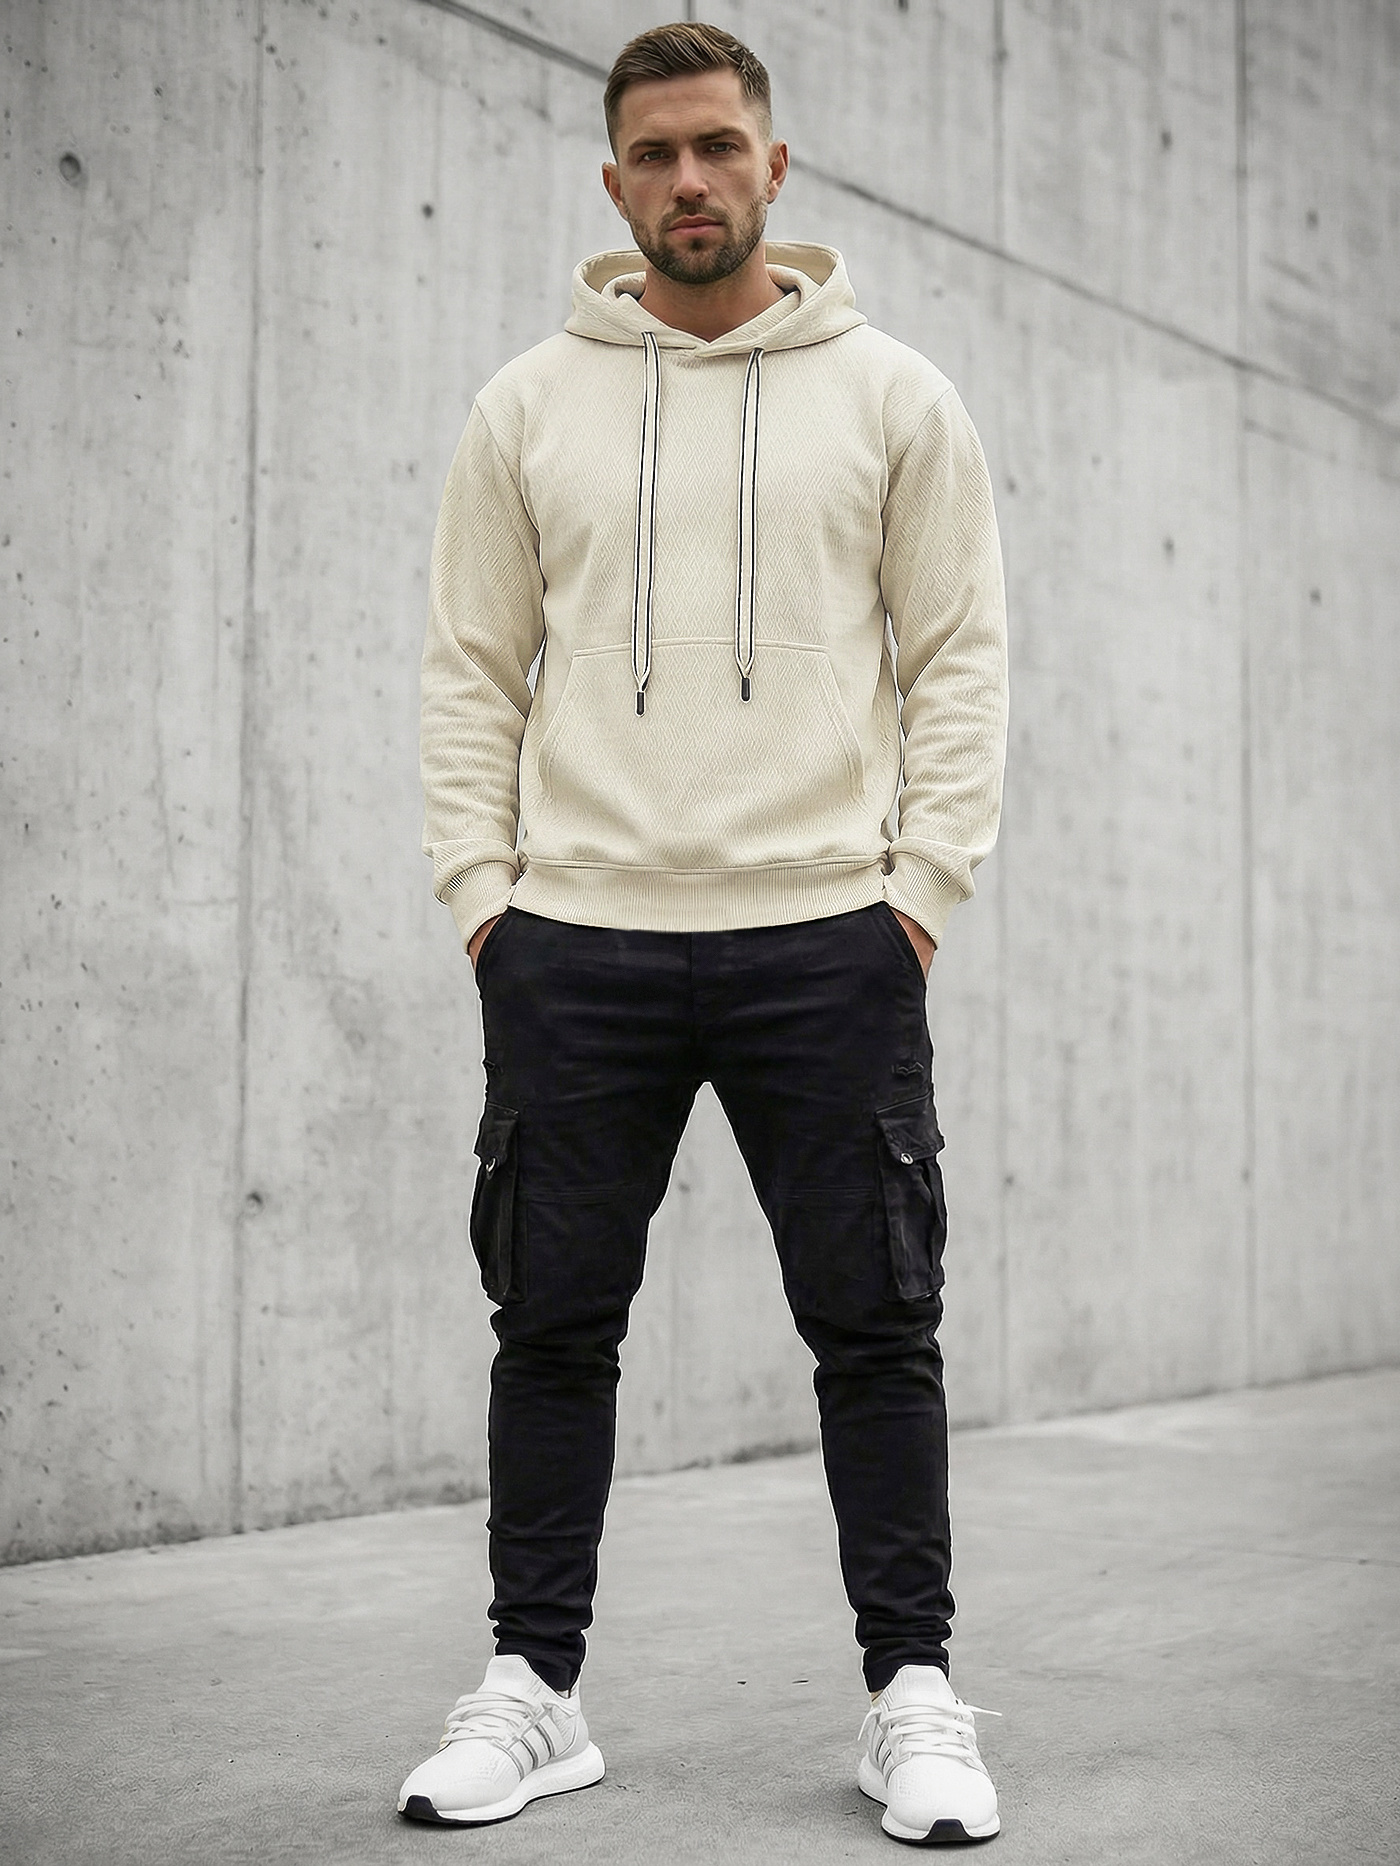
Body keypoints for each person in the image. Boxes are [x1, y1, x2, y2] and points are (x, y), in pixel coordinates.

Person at [400, 20, 1008, 1847]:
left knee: (877, 1328)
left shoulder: (894, 396)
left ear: (774, 167)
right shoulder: (526, 406)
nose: (689, 181)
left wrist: (917, 897)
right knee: (551, 1327)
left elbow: (961, 657)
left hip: (828, 933)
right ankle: (535, 1688)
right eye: (656, 154)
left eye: (718, 147)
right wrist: (485, 902)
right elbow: (470, 669)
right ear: (614, 184)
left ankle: (913, 1693)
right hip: (574, 938)